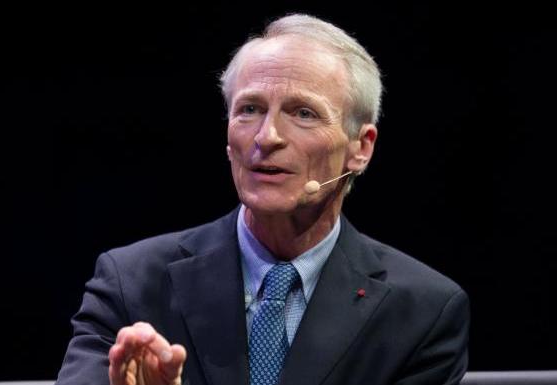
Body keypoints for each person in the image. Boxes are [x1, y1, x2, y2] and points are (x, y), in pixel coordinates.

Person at [55, 14, 470, 385]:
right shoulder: (130, 284)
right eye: (249, 109)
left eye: (303, 113)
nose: (266, 137)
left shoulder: (422, 311)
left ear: (360, 147)